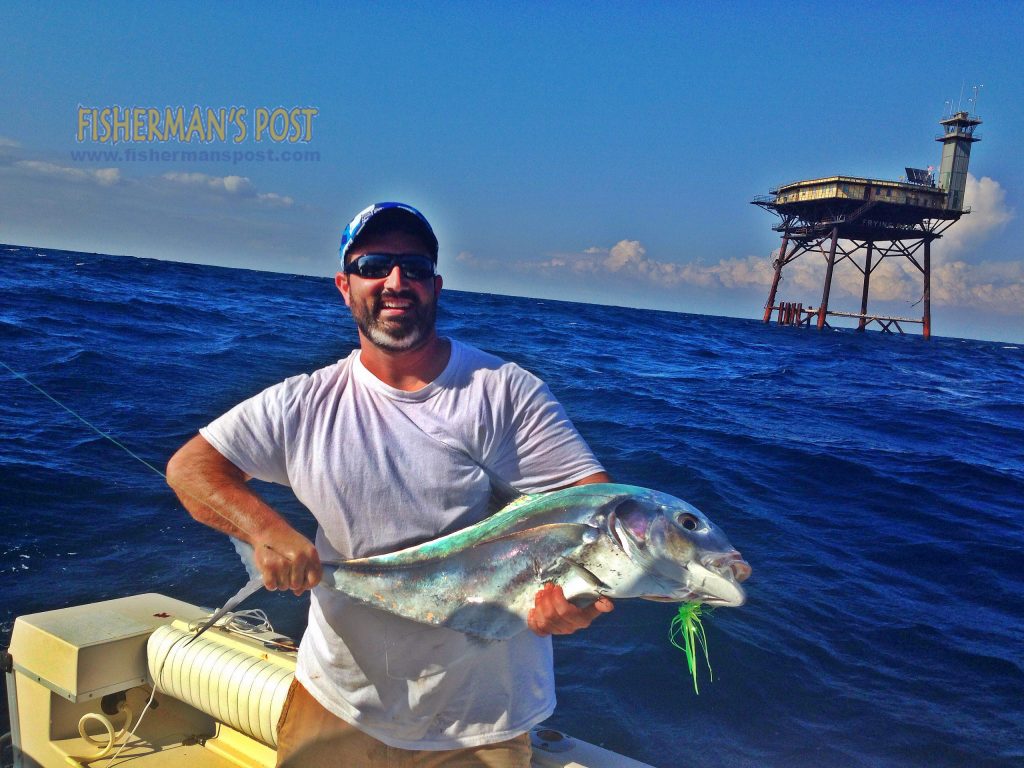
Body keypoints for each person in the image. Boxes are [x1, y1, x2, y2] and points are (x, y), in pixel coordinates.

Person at [166, 201, 614, 767]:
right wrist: (263, 530)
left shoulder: (506, 392)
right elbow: (191, 468)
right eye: (374, 264)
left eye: (415, 268)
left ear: (437, 285)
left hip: (481, 722)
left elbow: (595, 517)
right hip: (337, 703)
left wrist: (574, 601)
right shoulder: (304, 402)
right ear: (344, 285)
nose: (396, 282)